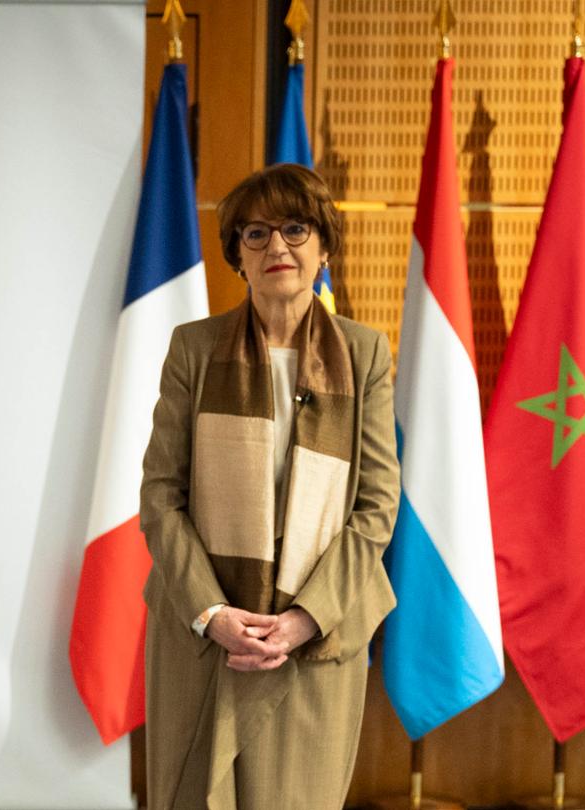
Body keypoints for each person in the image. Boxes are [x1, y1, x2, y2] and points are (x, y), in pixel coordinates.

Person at [139, 163, 398, 809]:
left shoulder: (365, 354)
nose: (277, 247)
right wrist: (212, 614)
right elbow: (160, 497)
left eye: (295, 228)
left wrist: (304, 619)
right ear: (237, 256)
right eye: (256, 234)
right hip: (207, 639)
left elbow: (375, 507)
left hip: (317, 638)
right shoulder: (194, 349)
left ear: (324, 246)